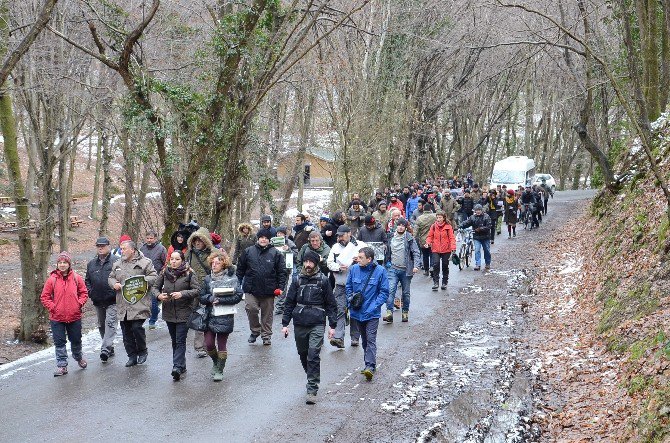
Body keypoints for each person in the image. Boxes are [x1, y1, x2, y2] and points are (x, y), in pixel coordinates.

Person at [281, 251, 337, 405]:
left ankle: (312, 388)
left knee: (313, 354)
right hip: (300, 322)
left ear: (316, 263)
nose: (308, 265)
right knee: (303, 354)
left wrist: (332, 326)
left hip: (317, 322)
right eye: (305, 261)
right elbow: (289, 303)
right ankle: (311, 375)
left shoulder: (324, 281)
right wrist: (285, 324)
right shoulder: (297, 280)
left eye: (310, 262)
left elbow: (331, 305)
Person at [152, 250, 201, 380]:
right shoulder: (164, 272)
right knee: (174, 340)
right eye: (172, 259)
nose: (173, 262)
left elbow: (197, 290)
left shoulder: (189, 273)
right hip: (169, 312)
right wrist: (159, 295)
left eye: (177, 259)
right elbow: (154, 288)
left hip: (184, 311)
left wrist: (182, 294)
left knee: (180, 340)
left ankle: (177, 367)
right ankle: (182, 365)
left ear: (182, 260)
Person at [109, 240, 158, 367]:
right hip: (123, 303)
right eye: (121, 248)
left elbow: (154, 276)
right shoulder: (117, 264)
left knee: (136, 327)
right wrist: (115, 284)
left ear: (132, 249)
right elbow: (111, 277)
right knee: (126, 331)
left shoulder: (145, 262)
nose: (122, 251)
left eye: (124, 248)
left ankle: (142, 351)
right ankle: (131, 356)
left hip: (139, 302)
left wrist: (141, 281)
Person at [41, 252, 89, 376]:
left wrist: (79, 304)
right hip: (57, 317)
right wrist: (53, 307)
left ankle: (78, 357)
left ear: (69, 264)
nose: (62, 265)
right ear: (57, 264)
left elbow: (84, 293)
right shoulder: (52, 279)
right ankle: (62, 365)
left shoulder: (76, 278)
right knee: (59, 342)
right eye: (60, 262)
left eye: (65, 262)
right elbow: (44, 297)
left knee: (76, 340)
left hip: (74, 316)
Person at [237, 228, 287, 346]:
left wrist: (280, 287)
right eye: (261, 238)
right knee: (250, 308)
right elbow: (240, 269)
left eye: (266, 238)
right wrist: (237, 284)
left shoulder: (276, 253)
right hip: (251, 288)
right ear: (258, 239)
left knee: (267, 314)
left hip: (269, 289)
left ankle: (266, 336)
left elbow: (282, 272)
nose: (263, 240)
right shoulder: (248, 251)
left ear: (269, 240)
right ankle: (255, 331)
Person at [346, 247, 389, 381]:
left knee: (370, 339)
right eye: (358, 257)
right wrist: (350, 300)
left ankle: (370, 366)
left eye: (361, 258)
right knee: (364, 340)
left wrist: (374, 306)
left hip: (372, 314)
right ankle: (369, 363)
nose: (357, 260)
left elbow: (384, 292)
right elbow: (348, 287)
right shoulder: (353, 269)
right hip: (357, 313)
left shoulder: (380, 271)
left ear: (369, 259)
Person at [200, 250, 243, 381]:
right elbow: (201, 296)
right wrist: (210, 298)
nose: (214, 265)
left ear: (223, 264)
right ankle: (215, 361)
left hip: (225, 315)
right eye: (212, 263)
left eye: (217, 263)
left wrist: (222, 300)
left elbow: (238, 296)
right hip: (209, 315)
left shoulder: (232, 278)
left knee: (222, 344)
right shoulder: (207, 279)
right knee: (209, 344)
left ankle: (220, 369)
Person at [326, 225, 368, 348]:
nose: (340, 238)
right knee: (340, 309)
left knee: (355, 309)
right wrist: (338, 267)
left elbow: (371, 259)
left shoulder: (360, 245)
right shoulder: (335, 247)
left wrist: (360, 261)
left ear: (349, 233)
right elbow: (329, 263)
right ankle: (339, 337)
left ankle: (355, 337)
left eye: (342, 235)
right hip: (341, 283)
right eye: (338, 236)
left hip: (356, 284)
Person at [85, 237, 119, 362]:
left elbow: (122, 278)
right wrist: (90, 292)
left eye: (103, 246)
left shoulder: (116, 261)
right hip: (98, 299)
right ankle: (110, 346)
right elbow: (87, 280)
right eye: (98, 246)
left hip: (113, 300)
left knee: (110, 324)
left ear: (109, 246)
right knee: (101, 325)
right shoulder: (91, 264)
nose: (100, 248)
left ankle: (105, 349)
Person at [382, 218, 419, 323]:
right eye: (399, 225)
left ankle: (405, 312)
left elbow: (416, 252)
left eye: (403, 225)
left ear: (405, 227)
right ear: (396, 226)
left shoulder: (409, 238)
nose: (401, 227)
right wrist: (387, 262)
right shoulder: (390, 237)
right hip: (393, 268)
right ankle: (389, 312)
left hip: (406, 270)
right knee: (390, 290)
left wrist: (416, 266)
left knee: (406, 293)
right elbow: (386, 251)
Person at [187, 227, 214, 358]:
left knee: (209, 316)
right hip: (194, 289)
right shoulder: (190, 253)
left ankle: (208, 344)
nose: (197, 243)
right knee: (199, 316)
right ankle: (199, 346)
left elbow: (223, 267)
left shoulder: (213, 253)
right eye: (195, 240)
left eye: (200, 240)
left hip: (209, 288)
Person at [140, 231, 167, 329]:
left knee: (153, 301)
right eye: (147, 238)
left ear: (155, 238)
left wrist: (163, 275)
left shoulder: (161, 249)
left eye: (151, 238)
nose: (149, 240)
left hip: (157, 278)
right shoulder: (142, 249)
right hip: (144, 277)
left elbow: (165, 263)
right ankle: (150, 314)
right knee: (144, 300)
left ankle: (152, 320)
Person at [425, 211, 457, 291]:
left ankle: (444, 282)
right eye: (437, 217)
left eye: (440, 217)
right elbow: (430, 236)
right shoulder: (433, 226)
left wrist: (453, 247)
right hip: (435, 249)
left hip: (446, 249)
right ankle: (436, 282)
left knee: (445, 266)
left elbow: (451, 238)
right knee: (436, 265)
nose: (438, 219)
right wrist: (428, 243)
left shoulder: (448, 227)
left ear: (444, 218)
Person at [460, 204, 492, 271]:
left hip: (485, 237)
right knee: (477, 250)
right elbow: (467, 223)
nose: (478, 211)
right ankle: (478, 264)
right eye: (477, 210)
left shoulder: (486, 217)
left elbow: (488, 226)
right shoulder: (472, 217)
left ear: (481, 210)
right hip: (477, 237)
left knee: (487, 251)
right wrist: (461, 225)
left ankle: (487, 263)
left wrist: (480, 229)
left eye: (479, 210)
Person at [415, 206, 436, 276]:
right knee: (432, 254)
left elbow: (416, 231)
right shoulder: (434, 217)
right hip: (433, 239)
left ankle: (426, 270)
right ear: (430, 209)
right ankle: (432, 266)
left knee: (425, 255)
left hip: (423, 240)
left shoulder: (419, 218)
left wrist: (414, 238)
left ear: (423, 209)